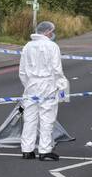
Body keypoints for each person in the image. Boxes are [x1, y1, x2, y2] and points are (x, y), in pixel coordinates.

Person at [19, 20, 69, 161]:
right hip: (48, 85)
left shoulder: (27, 46)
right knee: (47, 118)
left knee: (29, 119)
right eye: (52, 31)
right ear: (47, 32)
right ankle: (45, 150)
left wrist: (27, 85)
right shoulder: (52, 46)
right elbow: (57, 70)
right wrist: (62, 88)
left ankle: (27, 150)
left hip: (31, 86)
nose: (53, 34)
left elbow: (22, 71)